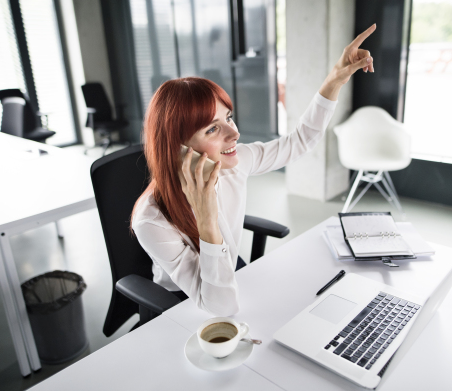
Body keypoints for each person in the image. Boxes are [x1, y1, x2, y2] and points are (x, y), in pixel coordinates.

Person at [132, 24, 377, 316]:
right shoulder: (151, 220)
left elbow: (300, 141)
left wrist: (334, 80)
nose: (234, 134)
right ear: (177, 148)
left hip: (224, 270)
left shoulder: (233, 162)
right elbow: (220, 307)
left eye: (229, 118)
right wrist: (207, 218)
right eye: (212, 128)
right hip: (176, 303)